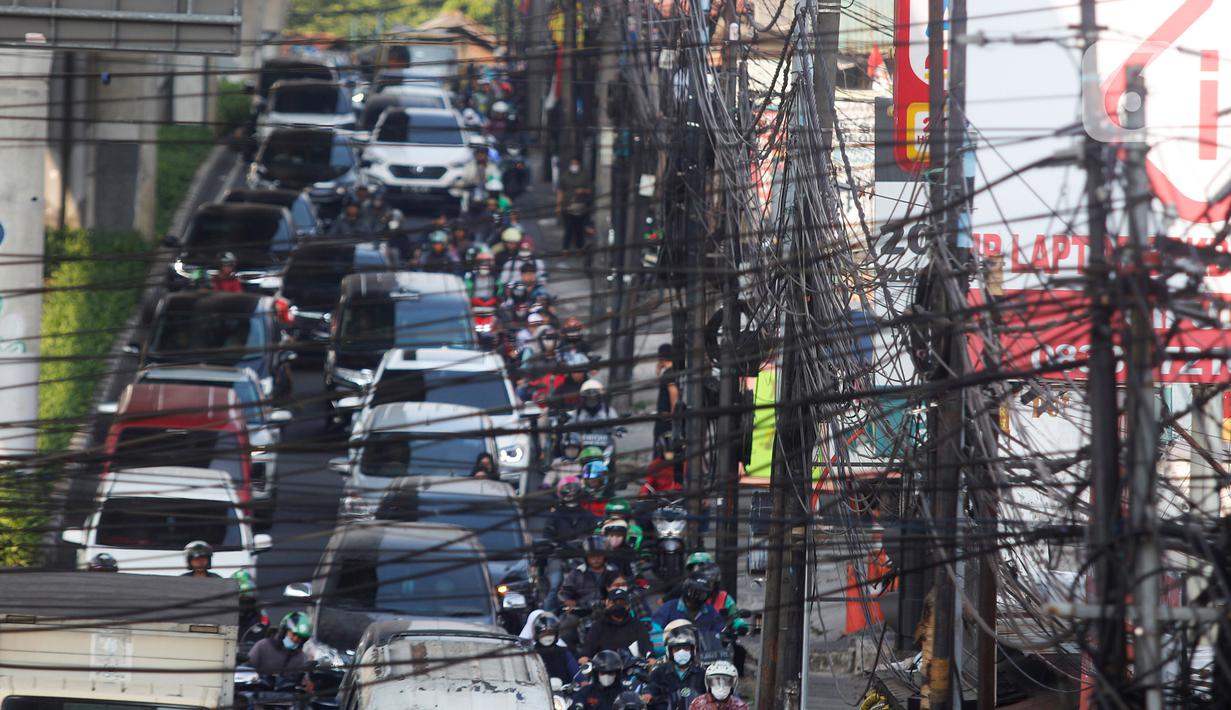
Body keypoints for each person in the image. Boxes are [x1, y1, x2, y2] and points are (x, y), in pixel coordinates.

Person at [558, 535, 621, 647]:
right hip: (582, 611)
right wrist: (568, 601)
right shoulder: (577, 573)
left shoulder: (613, 571)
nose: (595, 559)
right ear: (586, 557)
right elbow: (564, 592)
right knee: (566, 628)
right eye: (592, 556)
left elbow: (621, 589)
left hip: (607, 609)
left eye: (598, 556)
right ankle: (570, 655)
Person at [649, 576, 726, 656]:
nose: (696, 597)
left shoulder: (710, 611)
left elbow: (720, 631)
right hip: (675, 656)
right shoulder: (669, 607)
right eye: (693, 592)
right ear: (685, 590)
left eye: (702, 594)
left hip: (704, 657)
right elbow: (655, 630)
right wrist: (665, 646)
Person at [579, 586, 653, 660]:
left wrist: (650, 658)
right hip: (606, 667)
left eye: (622, 603)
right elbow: (588, 648)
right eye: (614, 603)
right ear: (607, 604)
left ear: (627, 606)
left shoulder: (637, 625)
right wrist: (584, 658)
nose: (617, 606)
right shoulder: (598, 626)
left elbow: (646, 646)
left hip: (632, 666)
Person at [643, 626, 706, 710]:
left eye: (686, 648)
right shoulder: (659, 672)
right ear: (669, 651)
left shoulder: (702, 673)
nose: (682, 652)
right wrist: (648, 694)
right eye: (677, 649)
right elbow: (652, 686)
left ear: (692, 650)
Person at [521, 610, 579, 684]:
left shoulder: (563, 651)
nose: (547, 637)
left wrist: (582, 682)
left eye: (551, 633)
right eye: (543, 634)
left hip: (564, 692)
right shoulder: (530, 654)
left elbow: (575, 670)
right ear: (536, 634)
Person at [246, 611, 311, 677]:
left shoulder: (301, 658)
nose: (295, 639)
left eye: (300, 638)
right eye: (294, 634)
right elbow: (246, 668)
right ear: (284, 631)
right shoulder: (263, 646)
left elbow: (303, 680)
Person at [544, 477, 600, 543]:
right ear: (562, 495)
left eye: (574, 494)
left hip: (583, 551)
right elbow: (547, 535)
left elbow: (595, 535)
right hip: (561, 551)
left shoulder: (588, 515)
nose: (571, 497)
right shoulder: (555, 515)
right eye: (567, 495)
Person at [558, 157, 593, 256]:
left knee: (579, 229)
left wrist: (582, 190)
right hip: (567, 207)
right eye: (572, 164)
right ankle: (565, 249)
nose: (574, 166)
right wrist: (558, 205)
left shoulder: (584, 176)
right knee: (568, 229)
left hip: (581, 207)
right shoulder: (565, 176)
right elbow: (560, 191)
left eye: (576, 164)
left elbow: (590, 190)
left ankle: (579, 248)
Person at [654, 344, 679, 440]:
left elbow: (673, 394)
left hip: (666, 420)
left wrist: (672, 415)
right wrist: (658, 371)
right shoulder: (669, 373)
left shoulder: (669, 374)